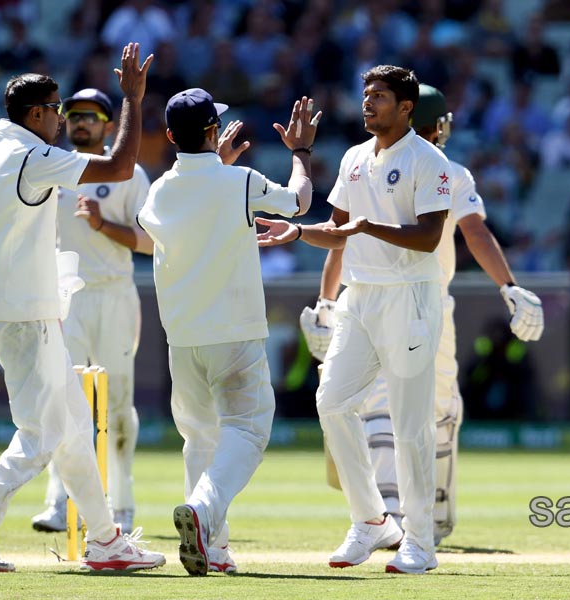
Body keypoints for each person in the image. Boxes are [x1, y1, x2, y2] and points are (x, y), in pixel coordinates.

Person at [0, 43, 165, 573]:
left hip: (2, 306)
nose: (61, 118)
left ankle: (105, 540)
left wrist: (3, 269)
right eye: (57, 109)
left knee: (76, 426)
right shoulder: (33, 156)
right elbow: (123, 164)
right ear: (35, 114)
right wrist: (131, 97)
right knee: (43, 435)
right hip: (25, 312)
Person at [299, 83, 544, 545]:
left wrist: (509, 285)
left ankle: (426, 515)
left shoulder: (444, 170)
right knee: (367, 406)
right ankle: (386, 516)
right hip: (368, 298)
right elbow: (340, 235)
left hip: (422, 301)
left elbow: (469, 234)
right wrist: (328, 302)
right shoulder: (365, 159)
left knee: (431, 410)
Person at [257, 65, 451, 574]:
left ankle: (420, 542)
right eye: (366, 95)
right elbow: (339, 231)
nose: (368, 103)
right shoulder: (354, 157)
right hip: (359, 297)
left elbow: (429, 237)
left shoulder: (429, 160)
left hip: (409, 297)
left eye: (380, 96)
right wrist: (297, 233)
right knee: (332, 402)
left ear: (406, 108)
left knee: (410, 426)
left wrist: (372, 227)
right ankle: (371, 521)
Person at [137, 88, 319, 576]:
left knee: (199, 438)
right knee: (249, 428)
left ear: (171, 136)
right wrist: (300, 153)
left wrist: (211, 164)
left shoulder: (159, 190)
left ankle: (213, 550)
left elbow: (184, 205)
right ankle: (203, 512)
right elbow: (299, 202)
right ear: (215, 132)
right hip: (233, 332)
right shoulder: (239, 180)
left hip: (182, 338)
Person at [30, 88, 152, 535]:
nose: (82, 123)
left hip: (115, 295)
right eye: (74, 115)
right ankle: (60, 503)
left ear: (107, 124)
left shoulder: (129, 174)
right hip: (66, 298)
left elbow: (151, 242)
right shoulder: (53, 169)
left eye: (92, 116)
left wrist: (103, 224)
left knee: (117, 403)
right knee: (65, 400)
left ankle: (122, 508)